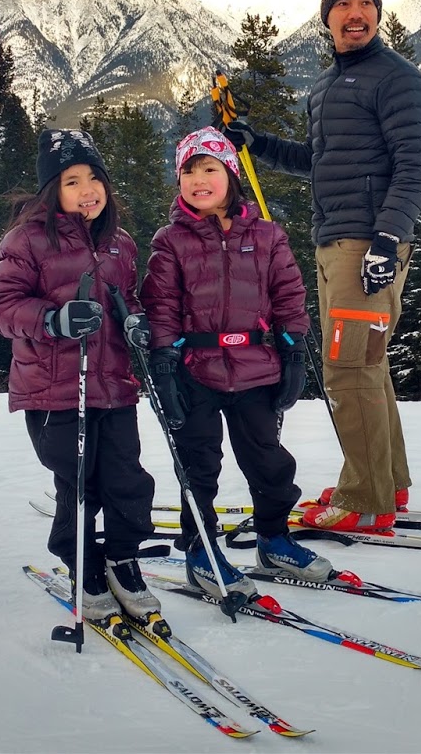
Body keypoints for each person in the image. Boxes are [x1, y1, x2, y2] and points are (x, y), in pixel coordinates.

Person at [225, 0, 421, 533]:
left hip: (367, 246)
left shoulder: (397, 79)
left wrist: (388, 240)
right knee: (368, 366)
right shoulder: (327, 86)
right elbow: (320, 163)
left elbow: (418, 165)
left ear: (378, 13)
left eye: (365, 4)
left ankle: (366, 502)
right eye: (342, 5)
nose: (354, 14)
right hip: (336, 244)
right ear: (327, 17)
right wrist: (259, 144)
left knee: (348, 370)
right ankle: (384, 483)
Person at [141, 127, 335, 594]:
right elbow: (160, 303)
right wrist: (164, 361)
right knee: (198, 467)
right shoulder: (170, 241)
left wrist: (293, 350)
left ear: (230, 173)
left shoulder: (267, 235)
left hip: (257, 369)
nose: (198, 179)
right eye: (188, 171)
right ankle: (202, 552)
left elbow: (289, 294)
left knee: (268, 462)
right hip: (195, 374)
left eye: (209, 168)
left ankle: (273, 538)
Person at [0, 128, 163, 624]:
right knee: (76, 480)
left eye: (94, 178)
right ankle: (81, 563)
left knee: (127, 478)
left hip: (115, 386)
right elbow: (3, 307)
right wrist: (51, 319)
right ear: (52, 191)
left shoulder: (120, 244)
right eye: (72, 180)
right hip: (53, 389)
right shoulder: (25, 241)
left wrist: (137, 322)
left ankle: (122, 559)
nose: (87, 190)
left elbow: (135, 300)